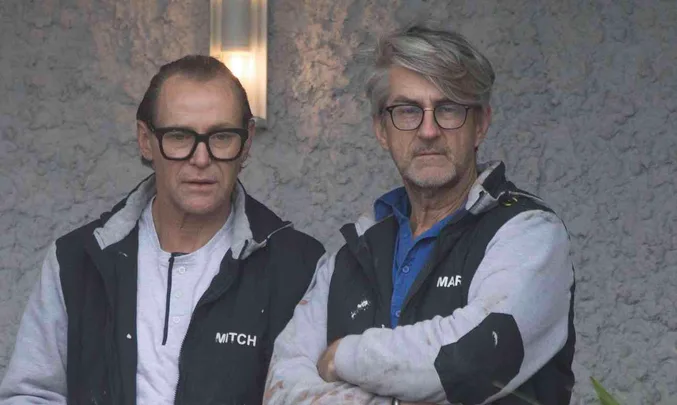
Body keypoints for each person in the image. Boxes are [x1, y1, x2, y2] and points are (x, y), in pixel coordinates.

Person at [263, 25, 575, 405]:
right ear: (382, 130)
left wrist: (343, 356)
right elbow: (282, 387)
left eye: (448, 109)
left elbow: (471, 363)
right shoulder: (349, 259)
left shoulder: (528, 234)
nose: (428, 130)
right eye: (408, 111)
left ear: (480, 125)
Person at [0, 55, 324, 405]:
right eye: (180, 136)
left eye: (221, 136)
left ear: (246, 143)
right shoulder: (77, 261)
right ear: (145, 140)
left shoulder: (300, 267)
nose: (201, 158)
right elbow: (30, 395)